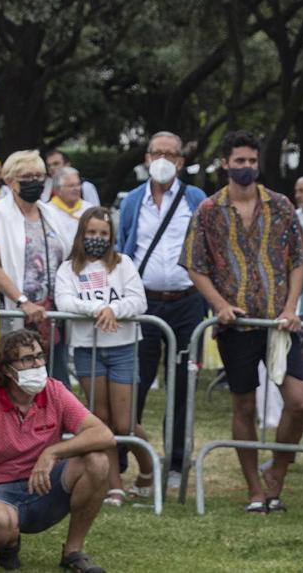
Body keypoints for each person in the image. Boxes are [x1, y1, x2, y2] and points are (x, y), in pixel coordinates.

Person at [184, 131, 303, 514]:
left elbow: (298, 260)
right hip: (237, 325)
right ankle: (255, 488)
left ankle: (278, 476)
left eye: (251, 161)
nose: (246, 167)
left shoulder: (282, 205)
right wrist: (220, 305)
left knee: (300, 403)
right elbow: (195, 265)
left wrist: (291, 307)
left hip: (281, 324)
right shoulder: (209, 209)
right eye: (239, 161)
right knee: (243, 406)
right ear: (225, 163)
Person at [0, 327, 114, 573]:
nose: (38, 364)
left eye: (39, 356)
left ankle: (73, 551)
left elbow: (103, 434)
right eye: (28, 359)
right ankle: (9, 542)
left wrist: (52, 453)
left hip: (44, 484)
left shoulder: (54, 390)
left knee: (98, 461)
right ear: (7, 369)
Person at [113, 131, 207, 499]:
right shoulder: (133, 201)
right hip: (145, 303)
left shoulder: (196, 199)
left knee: (182, 384)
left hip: (187, 301)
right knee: (133, 382)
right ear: (147, 158)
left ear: (181, 161)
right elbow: (123, 248)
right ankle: (120, 463)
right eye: (157, 152)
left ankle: (177, 463)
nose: (163, 159)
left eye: (171, 153)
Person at [54, 207, 146, 506]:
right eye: (91, 233)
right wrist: (96, 310)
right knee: (100, 421)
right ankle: (113, 485)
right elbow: (64, 300)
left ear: (111, 237)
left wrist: (113, 310)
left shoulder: (124, 264)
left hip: (122, 347)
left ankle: (148, 469)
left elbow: (138, 300)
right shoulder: (68, 269)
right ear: (82, 233)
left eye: (103, 234)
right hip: (87, 349)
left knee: (125, 423)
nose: (97, 238)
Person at [0, 149, 78, 382]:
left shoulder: (51, 213)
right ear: (11, 181)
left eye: (39, 176)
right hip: (17, 313)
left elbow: (68, 256)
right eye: (27, 177)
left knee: (57, 383)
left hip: (52, 315)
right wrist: (23, 301)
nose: (35, 182)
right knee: (20, 381)